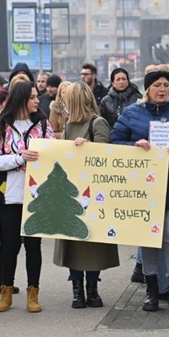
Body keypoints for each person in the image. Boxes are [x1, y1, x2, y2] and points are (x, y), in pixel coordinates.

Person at [111, 69, 169, 313]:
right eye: (157, 86)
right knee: (149, 237)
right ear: (147, 90)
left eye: (165, 85)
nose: (162, 89)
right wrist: (135, 146)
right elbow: (114, 144)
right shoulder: (132, 113)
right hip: (144, 187)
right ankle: (152, 290)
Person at [0, 81, 55, 313]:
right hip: (10, 194)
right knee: (10, 246)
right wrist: (19, 158)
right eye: (33, 97)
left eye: (38, 96)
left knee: (34, 246)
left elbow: (56, 153)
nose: (38, 100)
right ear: (22, 99)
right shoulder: (1, 125)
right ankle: (6, 291)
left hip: (38, 195)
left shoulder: (43, 124)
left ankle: (33, 293)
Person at [52, 82, 119, 308]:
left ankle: (92, 288)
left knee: (93, 244)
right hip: (70, 192)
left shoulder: (97, 123)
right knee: (72, 244)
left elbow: (105, 157)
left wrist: (88, 146)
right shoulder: (68, 126)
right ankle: (77, 289)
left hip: (93, 193)